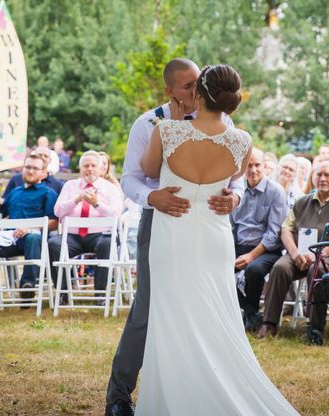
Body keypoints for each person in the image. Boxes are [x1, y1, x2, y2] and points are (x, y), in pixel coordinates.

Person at [136, 63, 298, 415]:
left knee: (171, 317)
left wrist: (178, 127)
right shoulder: (242, 140)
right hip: (214, 235)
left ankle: (175, 401)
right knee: (216, 314)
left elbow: (148, 171)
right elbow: (235, 176)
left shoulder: (167, 131)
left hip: (173, 233)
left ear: (198, 94)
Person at [105, 59, 245, 416]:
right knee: (148, 310)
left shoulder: (223, 122)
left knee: (204, 308)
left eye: (198, 83)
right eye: (186, 86)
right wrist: (151, 197)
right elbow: (131, 178)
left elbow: (238, 174)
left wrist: (236, 196)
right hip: (161, 223)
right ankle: (119, 396)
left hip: (207, 224)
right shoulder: (148, 124)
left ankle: (197, 390)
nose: (194, 91)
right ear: (168, 90)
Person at [257, 159, 329, 339]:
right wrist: (294, 253)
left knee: (316, 269)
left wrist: (320, 254)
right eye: (318, 174)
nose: (322, 179)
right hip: (299, 253)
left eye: (328, 175)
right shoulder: (302, 202)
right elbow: (286, 229)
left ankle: (314, 327)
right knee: (280, 268)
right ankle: (269, 323)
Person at [48, 151, 123, 301]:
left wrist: (96, 203)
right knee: (54, 244)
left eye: (93, 165)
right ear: (80, 168)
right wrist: (76, 199)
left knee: (107, 244)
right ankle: (63, 293)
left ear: (101, 168)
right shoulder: (70, 185)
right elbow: (57, 210)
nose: (89, 169)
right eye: (86, 166)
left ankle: (101, 294)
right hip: (73, 236)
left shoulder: (110, 188)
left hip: (100, 235)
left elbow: (116, 214)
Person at [0, 154, 58, 302]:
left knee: (33, 237)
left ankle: (27, 286)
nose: (30, 171)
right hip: (11, 237)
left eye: (35, 168)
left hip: (33, 239)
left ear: (43, 172)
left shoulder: (48, 193)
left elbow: (54, 222)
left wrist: (29, 228)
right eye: (27, 167)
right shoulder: (14, 192)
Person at [231, 148, 287, 332]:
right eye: (248, 166)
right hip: (237, 246)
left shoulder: (275, 191)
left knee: (254, 270)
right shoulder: (236, 190)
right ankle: (251, 312)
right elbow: (230, 225)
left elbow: (273, 234)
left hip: (265, 249)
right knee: (214, 268)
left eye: (257, 165)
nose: (253, 170)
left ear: (264, 166)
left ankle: (250, 312)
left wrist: (251, 256)